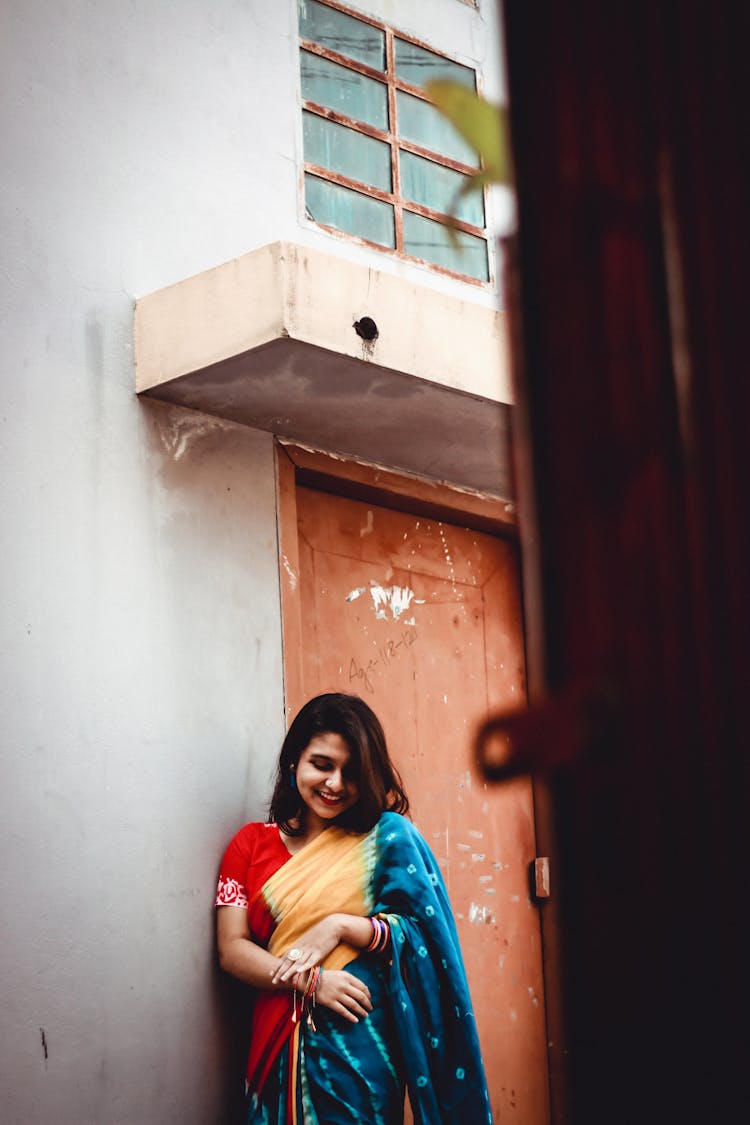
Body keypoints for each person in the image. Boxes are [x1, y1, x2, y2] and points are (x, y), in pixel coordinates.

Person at [215, 692, 492, 1125]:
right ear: (294, 762)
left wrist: (341, 926)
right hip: (277, 1042)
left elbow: (421, 933)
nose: (335, 784)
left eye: (352, 772)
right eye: (322, 765)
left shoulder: (386, 839)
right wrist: (309, 982)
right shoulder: (249, 845)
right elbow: (231, 949)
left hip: (361, 1051)